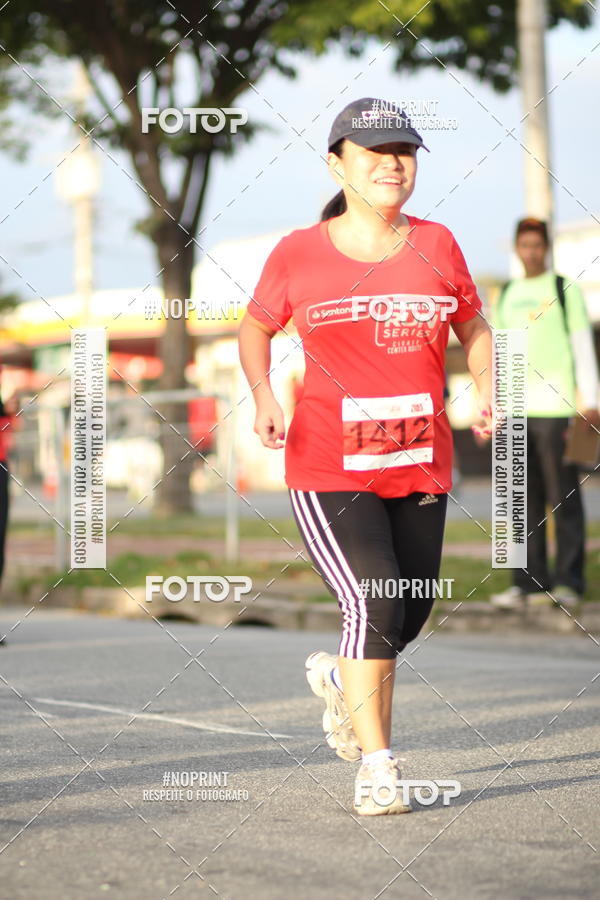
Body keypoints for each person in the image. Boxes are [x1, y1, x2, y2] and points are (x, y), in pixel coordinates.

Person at [238, 97, 493, 816]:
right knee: (375, 595)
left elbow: (474, 326)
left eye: (405, 150)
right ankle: (378, 766)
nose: (393, 162)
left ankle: (340, 682)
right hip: (328, 465)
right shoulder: (299, 252)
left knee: (409, 612)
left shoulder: (438, 244)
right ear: (337, 163)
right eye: (375, 150)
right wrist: (264, 397)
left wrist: (486, 386)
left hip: (418, 463)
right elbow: (255, 331)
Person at [489, 218, 600, 611]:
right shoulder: (505, 294)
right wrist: (495, 405)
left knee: (563, 498)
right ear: (517, 248)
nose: (531, 251)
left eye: (538, 245)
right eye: (525, 245)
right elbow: (498, 354)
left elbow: (581, 344)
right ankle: (527, 584)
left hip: (557, 410)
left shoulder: (561, 287)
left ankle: (570, 582)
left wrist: (591, 400)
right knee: (519, 502)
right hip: (515, 411)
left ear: (546, 248)